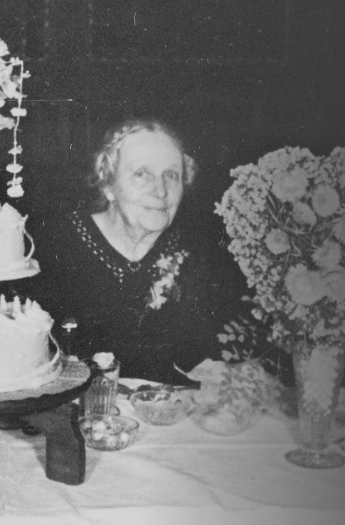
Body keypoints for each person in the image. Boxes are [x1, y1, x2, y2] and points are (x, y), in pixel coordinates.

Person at [14, 119, 250, 385]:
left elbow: (218, 355)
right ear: (108, 185)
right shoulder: (53, 246)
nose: (161, 191)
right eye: (142, 174)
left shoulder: (200, 253)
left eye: (171, 175)